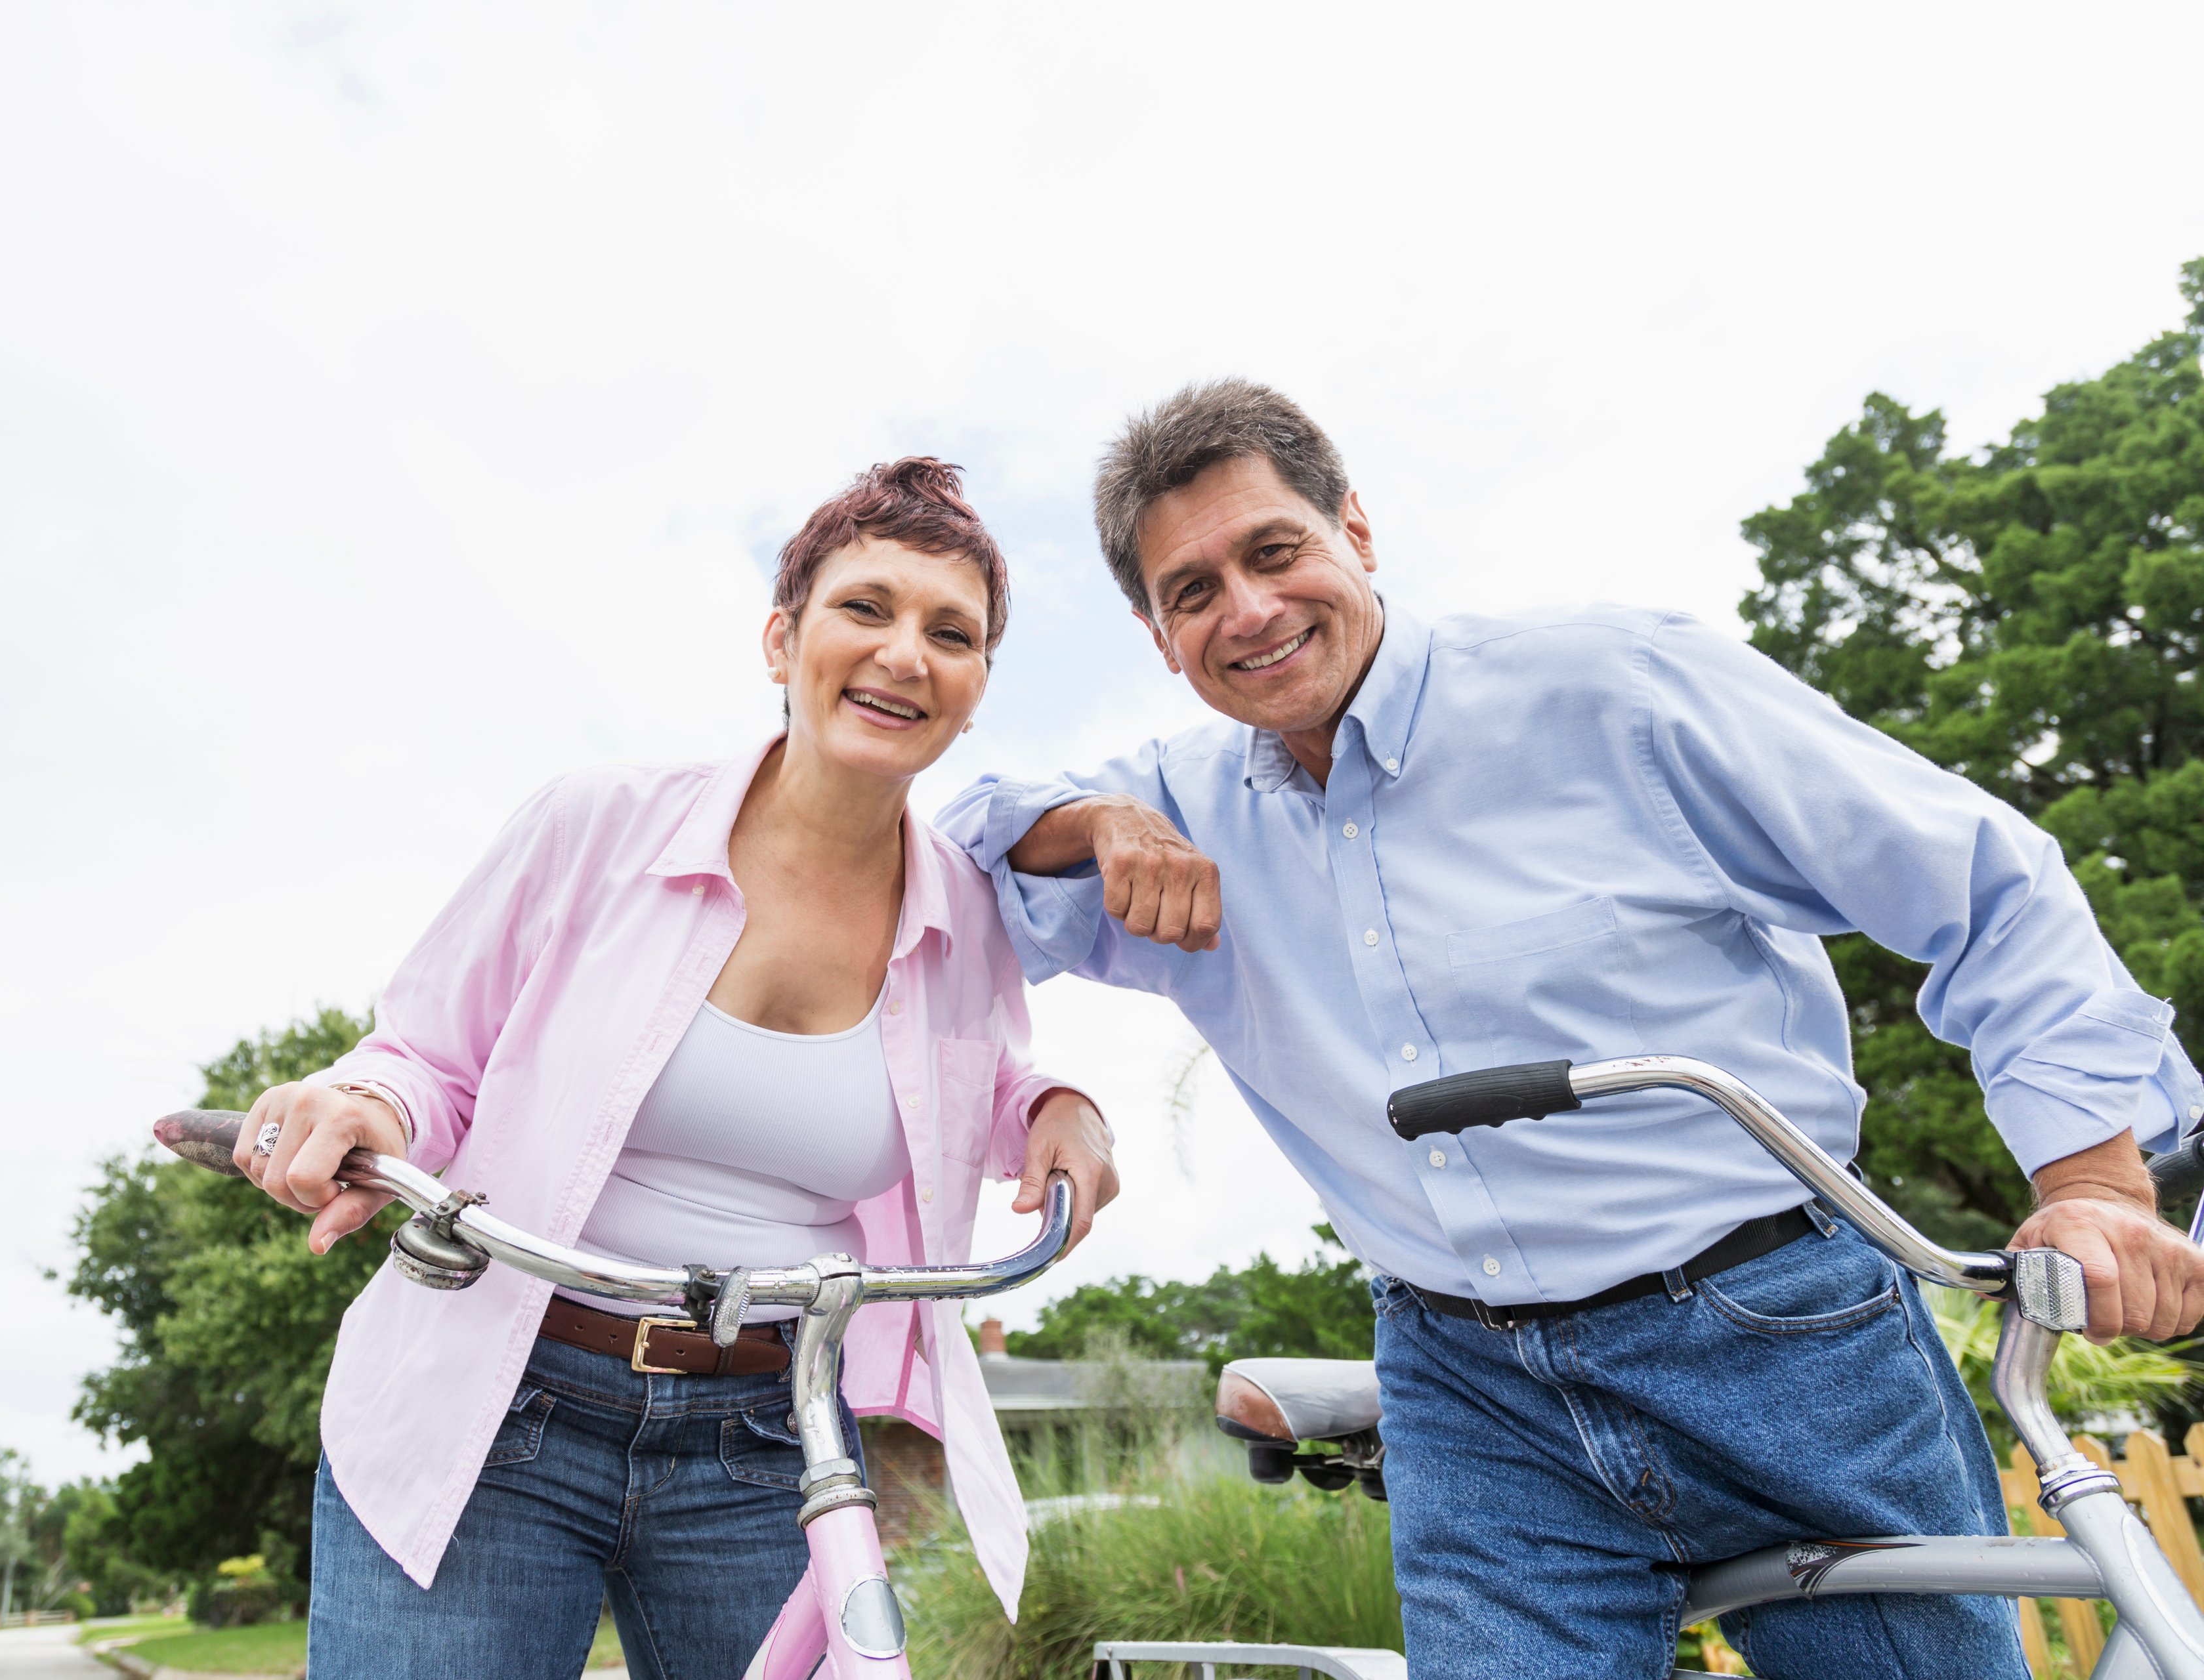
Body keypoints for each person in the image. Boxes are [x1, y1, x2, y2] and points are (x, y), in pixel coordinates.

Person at [937, 381, 2204, 1680]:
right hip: (1474, 1399)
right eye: (1192, 591)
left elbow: (1985, 884)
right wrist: (1088, 823)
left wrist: (2095, 1179)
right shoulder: (1171, 815)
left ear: (1356, 530)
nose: (1248, 609)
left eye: (1274, 550)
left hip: (1778, 1336)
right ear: (1159, 635)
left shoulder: (1615, 687)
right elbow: (938, 858)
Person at [236, 457, 1120, 1680]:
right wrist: (362, 1103)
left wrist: (1060, 1106)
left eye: (950, 633)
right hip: (498, 1396)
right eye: (865, 608)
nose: (905, 654)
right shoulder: (593, 824)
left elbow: (980, 1077)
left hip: (773, 1436)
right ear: (782, 638)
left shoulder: (964, 913)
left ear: (975, 689)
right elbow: (428, 1057)